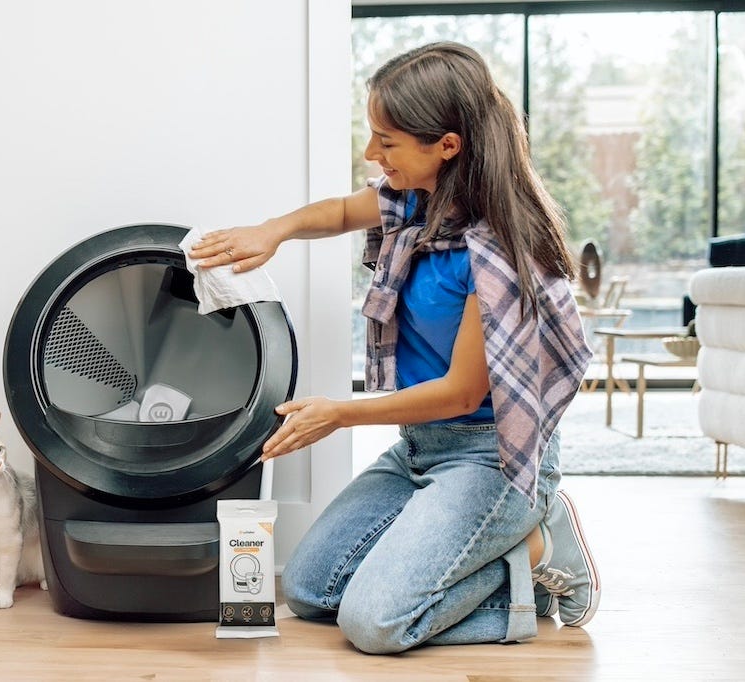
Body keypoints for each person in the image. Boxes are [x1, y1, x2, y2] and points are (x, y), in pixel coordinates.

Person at [190, 41, 600, 654]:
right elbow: (336, 212)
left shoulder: (502, 257)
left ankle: (539, 548)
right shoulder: (418, 203)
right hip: (420, 449)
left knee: (375, 624)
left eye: (387, 141)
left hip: (494, 459)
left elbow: (462, 393)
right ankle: (458, 554)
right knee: (309, 591)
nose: (370, 153)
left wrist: (339, 412)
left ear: (447, 145)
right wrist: (271, 231)